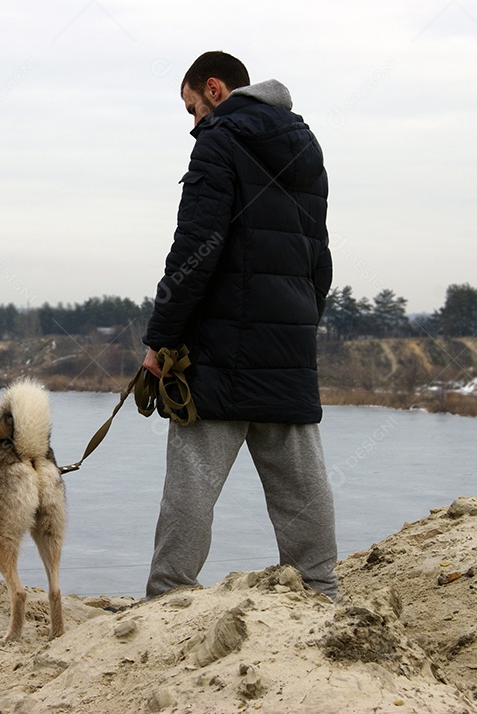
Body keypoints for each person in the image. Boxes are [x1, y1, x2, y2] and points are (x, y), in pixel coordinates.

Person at [142, 51, 338, 600]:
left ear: (214, 88)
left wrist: (161, 338)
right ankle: (321, 593)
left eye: (191, 107)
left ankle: (168, 595)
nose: (192, 121)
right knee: (302, 488)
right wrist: (301, 324)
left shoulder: (218, 141)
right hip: (289, 349)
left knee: (192, 483)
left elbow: (194, 251)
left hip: (219, 351)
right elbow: (318, 257)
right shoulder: (306, 146)